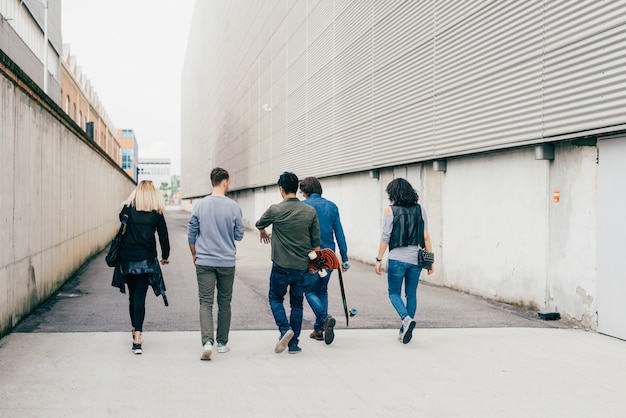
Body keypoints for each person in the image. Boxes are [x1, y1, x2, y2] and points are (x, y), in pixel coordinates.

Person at [256, 172, 321, 354]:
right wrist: (314, 265)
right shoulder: (309, 211)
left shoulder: (275, 209)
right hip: (301, 267)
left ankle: (285, 329)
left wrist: (263, 231)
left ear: (281, 189)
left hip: (280, 266)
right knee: (297, 305)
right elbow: (316, 243)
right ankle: (293, 345)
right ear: (297, 189)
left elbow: (259, 223)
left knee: (275, 299)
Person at [188, 167, 244, 360]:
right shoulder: (234, 207)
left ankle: (207, 342)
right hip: (227, 262)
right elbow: (239, 235)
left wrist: (194, 253)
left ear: (212, 182)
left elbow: (192, 232)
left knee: (205, 302)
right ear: (225, 181)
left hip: (204, 261)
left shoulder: (200, 205)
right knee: (224, 302)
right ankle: (221, 343)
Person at [374, 178, 434, 344]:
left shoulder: (390, 210)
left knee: (394, 293)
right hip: (415, 259)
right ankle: (404, 330)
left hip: (397, 259)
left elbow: (385, 237)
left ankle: (406, 319)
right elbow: (426, 236)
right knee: (411, 294)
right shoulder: (420, 209)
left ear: (393, 193)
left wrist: (378, 259)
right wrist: (430, 261)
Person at [118, 180, 170, 355]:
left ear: (137, 193)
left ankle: (135, 331)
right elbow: (164, 236)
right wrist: (165, 256)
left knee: (133, 298)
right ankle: (138, 338)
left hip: (127, 259)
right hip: (146, 261)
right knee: (140, 297)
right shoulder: (156, 213)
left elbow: (121, 221)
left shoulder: (128, 209)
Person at [299, 176, 349, 345]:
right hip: (329, 255)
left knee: (309, 290)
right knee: (323, 290)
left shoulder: (303, 206)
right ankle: (319, 329)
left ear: (305, 191)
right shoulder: (332, 206)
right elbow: (339, 233)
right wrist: (345, 257)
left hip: (311, 255)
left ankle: (325, 318)